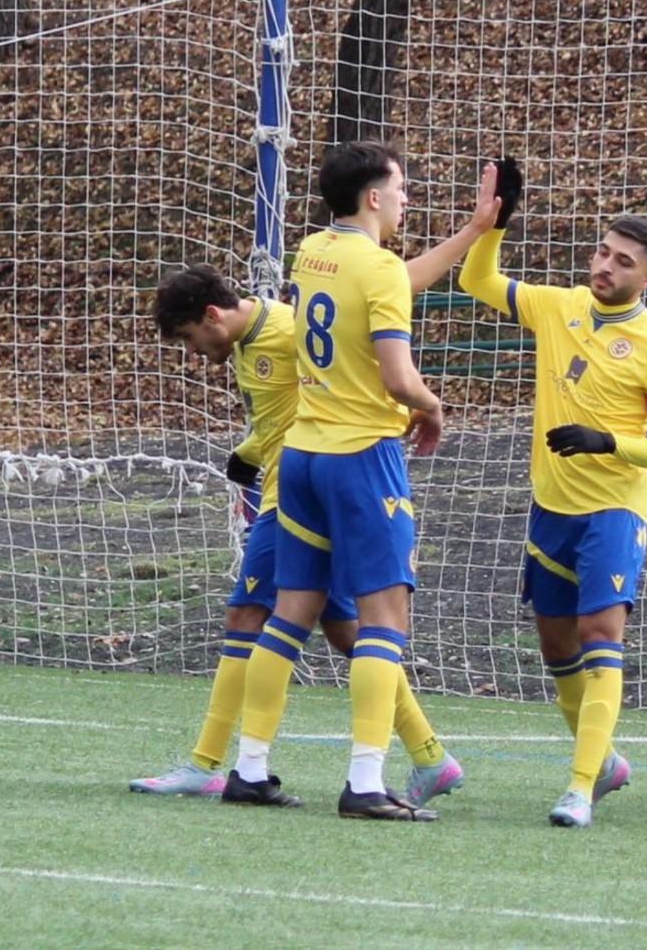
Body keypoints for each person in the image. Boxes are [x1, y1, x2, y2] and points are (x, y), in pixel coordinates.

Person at [131, 178, 495, 801]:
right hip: (310, 477)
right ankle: (428, 756)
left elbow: (346, 363)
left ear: (213, 316)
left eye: (191, 338)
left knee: (262, 615)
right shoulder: (263, 325)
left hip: (313, 482)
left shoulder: (284, 328)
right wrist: (248, 454)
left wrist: (416, 402)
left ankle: (212, 763)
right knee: (345, 628)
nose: (194, 351)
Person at [220, 142, 481, 821]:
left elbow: (389, 282)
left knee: (291, 614)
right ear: (372, 196)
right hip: (362, 456)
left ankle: (249, 769)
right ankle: (366, 781)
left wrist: (474, 230)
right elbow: (397, 376)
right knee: (384, 619)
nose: (405, 198)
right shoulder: (378, 267)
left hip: (301, 457)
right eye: (400, 187)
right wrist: (432, 406)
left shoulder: (313, 252)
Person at [458, 186, 647, 828]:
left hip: (613, 509)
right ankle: (605, 761)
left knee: (600, 636)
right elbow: (477, 279)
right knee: (556, 643)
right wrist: (495, 224)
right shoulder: (558, 306)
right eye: (603, 252)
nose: (605, 266)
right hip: (550, 507)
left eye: (622, 261)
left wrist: (607, 442)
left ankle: (581, 787)